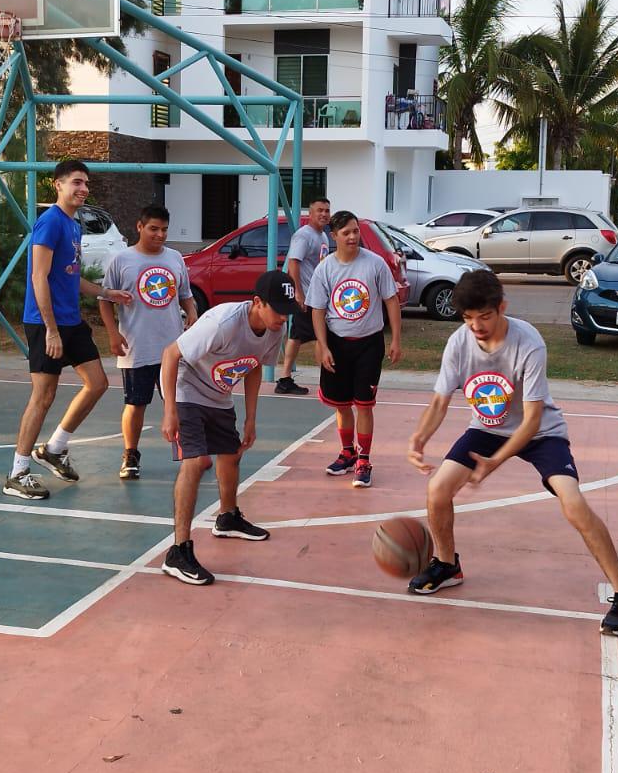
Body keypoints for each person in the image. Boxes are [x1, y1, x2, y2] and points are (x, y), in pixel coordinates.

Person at [405, 270, 618, 636]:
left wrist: (496, 462)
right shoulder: (459, 342)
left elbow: (531, 421)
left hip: (541, 433)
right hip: (486, 428)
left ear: (502, 307)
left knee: (573, 503)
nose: (477, 326)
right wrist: (419, 437)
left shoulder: (528, 341)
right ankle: (446, 563)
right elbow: (440, 400)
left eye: (484, 316)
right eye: (468, 318)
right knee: (437, 489)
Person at [158, 270, 298, 585]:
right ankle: (178, 551)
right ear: (257, 302)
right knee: (194, 463)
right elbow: (170, 354)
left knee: (231, 454)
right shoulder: (223, 322)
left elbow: (254, 368)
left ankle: (227, 517)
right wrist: (170, 410)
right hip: (186, 387)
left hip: (218, 393)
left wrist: (251, 417)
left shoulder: (274, 329)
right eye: (278, 309)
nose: (283, 318)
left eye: (288, 311)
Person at [5, 160, 131, 500]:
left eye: (86, 183)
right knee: (43, 396)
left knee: (98, 383)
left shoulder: (73, 225)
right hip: (46, 323)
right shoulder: (49, 224)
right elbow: (38, 278)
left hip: (71, 321)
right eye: (76, 182)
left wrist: (106, 292)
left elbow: (70, 277)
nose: (83, 189)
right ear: (58, 184)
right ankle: (17, 472)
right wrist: (50, 330)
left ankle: (54, 448)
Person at [98, 204, 198, 480]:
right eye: (154, 229)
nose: (160, 235)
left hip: (172, 348)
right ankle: (130, 454)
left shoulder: (175, 258)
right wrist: (112, 334)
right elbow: (105, 301)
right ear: (140, 227)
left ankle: (190, 450)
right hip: (137, 347)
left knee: (181, 401)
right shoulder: (122, 260)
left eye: (164, 229)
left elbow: (185, 295)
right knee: (136, 403)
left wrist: (192, 313)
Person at [306, 210, 401, 488]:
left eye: (355, 231)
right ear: (333, 236)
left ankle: (364, 459)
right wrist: (322, 346)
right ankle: (347, 452)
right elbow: (317, 310)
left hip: (369, 344)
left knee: (364, 404)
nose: (352, 236)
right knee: (341, 404)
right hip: (337, 343)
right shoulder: (325, 268)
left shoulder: (375, 264)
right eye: (346, 232)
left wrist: (395, 339)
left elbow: (392, 301)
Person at [275, 197, 334, 395]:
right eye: (320, 210)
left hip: (319, 296)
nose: (324, 214)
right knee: (320, 336)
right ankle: (326, 380)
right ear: (310, 213)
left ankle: (285, 379)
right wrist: (299, 294)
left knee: (297, 336)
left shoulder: (323, 236)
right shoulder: (304, 235)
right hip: (309, 296)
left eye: (327, 210)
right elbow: (293, 263)